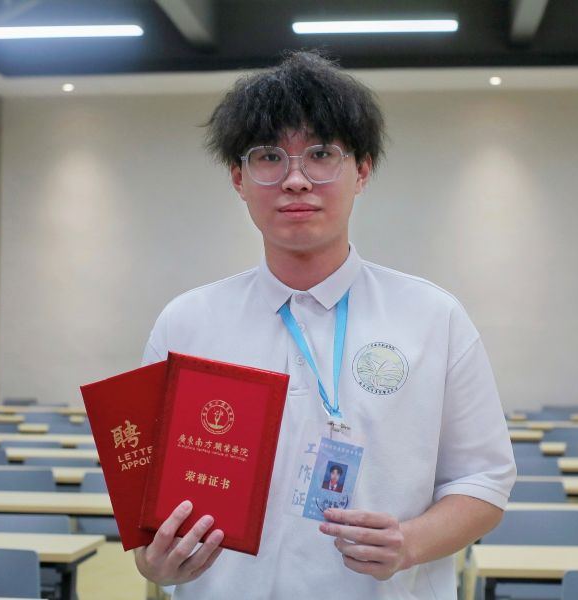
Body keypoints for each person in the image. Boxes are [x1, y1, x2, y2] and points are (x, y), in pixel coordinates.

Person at [134, 50, 516, 599]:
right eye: (269, 157)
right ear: (238, 178)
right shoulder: (186, 322)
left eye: (320, 155)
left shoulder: (433, 317)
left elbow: (484, 479)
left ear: (362, 171)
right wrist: (157, 562)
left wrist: (410, 543)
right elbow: (147, 501)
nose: (295, 180)